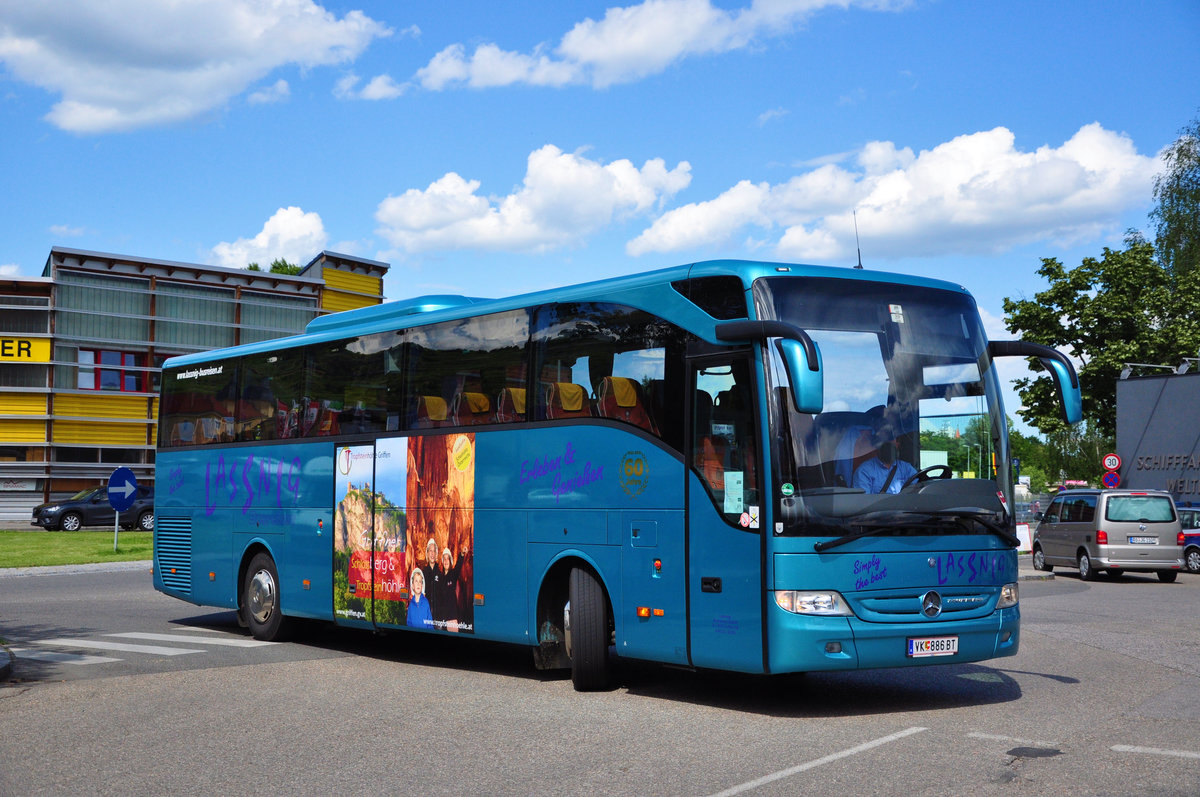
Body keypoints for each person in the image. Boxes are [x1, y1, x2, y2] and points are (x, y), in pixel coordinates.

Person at [853, 438, 917, 494]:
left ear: (898, 444)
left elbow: (918, 487)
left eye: (891, 439)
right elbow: (865, 501)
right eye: (885, 441)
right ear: (877, 445)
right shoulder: (864, 470)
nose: (889, 446)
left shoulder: (906, 468)